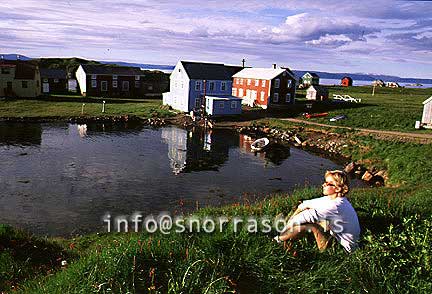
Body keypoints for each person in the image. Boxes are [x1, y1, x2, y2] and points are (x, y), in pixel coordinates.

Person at [274, 170, 360, 253]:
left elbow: (304, 216)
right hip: (336, 235)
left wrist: (286, 226)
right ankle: (288, 240)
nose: (323, 185)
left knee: (311, 226)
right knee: (317, 222)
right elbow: (304, 205)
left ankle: (278, 240)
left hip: (343, 249)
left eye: (328, 183)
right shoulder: (333, 199)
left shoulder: (334, 206)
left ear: (337, 189)